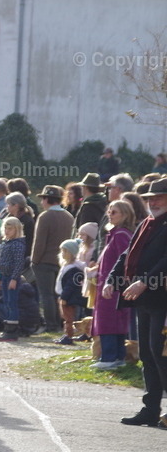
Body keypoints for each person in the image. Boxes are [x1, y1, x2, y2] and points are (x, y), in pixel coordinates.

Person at [105, 177, 167, 427]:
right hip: (145, 298)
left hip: (161, 296)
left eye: (159, 197)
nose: (153, 202)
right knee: (147, 354)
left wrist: (144, 281)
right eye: (150, 198)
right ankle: (150, 410)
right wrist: (112, 278)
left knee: (159, 352)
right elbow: (127, 253)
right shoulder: (147, 222)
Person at [89, 200, 136, 366]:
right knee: (112, 320)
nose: (110, 214)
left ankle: (110, 357)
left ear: (125, 215)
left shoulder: (122, 235)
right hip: (108, 283)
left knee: (109, 320)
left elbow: (125, 261)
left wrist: (114, 282)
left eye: (114, 212)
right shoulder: (116, 233)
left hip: (114, 286)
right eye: (109, 211)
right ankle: (117, 357)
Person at [31, 185, 75, 333]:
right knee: (58, 294)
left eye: (43, 199)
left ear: (46, 199)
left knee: (47, 294)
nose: (42, 202)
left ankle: (51, 325)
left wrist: (34, 260)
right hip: (63, 261)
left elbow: (39, 242)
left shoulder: (44, 216)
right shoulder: (69, 216)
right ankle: (61, 322)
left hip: (44, 261)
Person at [0, 216, 27, 341]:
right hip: (4, 276)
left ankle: (12, 330)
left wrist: (14, 278)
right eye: (6, 228)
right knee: (6, 302)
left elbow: (19, 262)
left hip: (11, 277)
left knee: (12, 303)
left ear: (17, 230)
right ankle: (7, 327)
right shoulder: (5, 243)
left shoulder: (18, 244)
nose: (7, 231)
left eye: (10, 229)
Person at [53, 239, 86, 345]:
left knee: (68, 318)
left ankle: (69, 335)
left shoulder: (73, 269)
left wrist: (64, 297)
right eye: (62, 251)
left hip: (68, 297)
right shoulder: (66, 266)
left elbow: (70, 286)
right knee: (65, 316)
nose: (63, 253)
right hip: (63, 295)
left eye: (65, 251)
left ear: (72, 253)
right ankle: (67, 334)